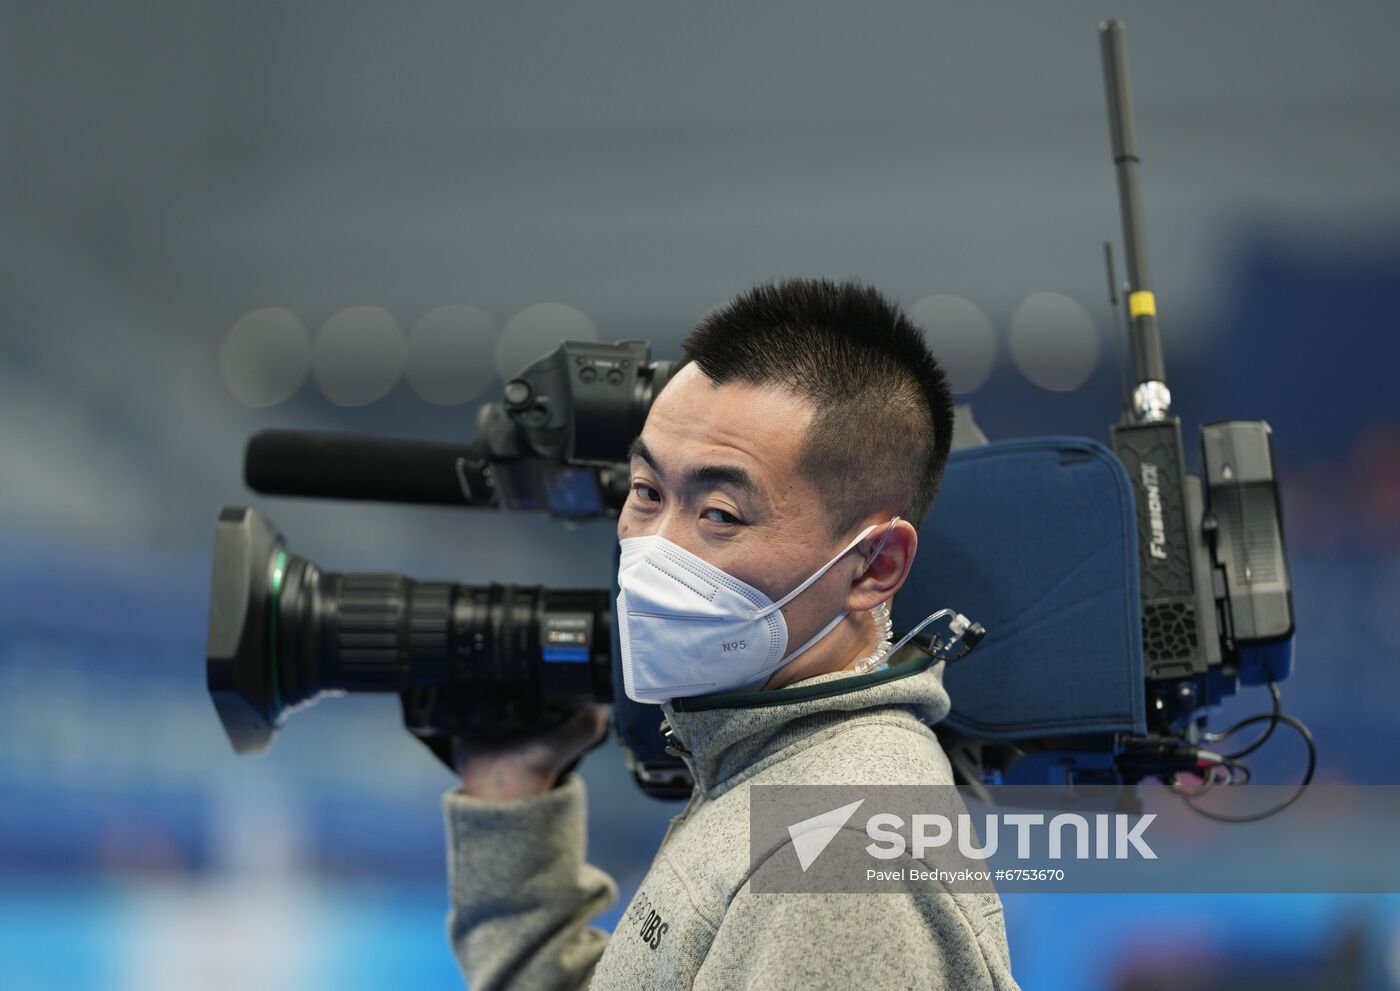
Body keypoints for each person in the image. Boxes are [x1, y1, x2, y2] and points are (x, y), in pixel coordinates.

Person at [441, 278, 1020, 989]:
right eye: (647, 492)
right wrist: (512, 794)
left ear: (876, 565)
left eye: (719, 513)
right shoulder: (770, 772)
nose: (655, 548)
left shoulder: (836, 847)